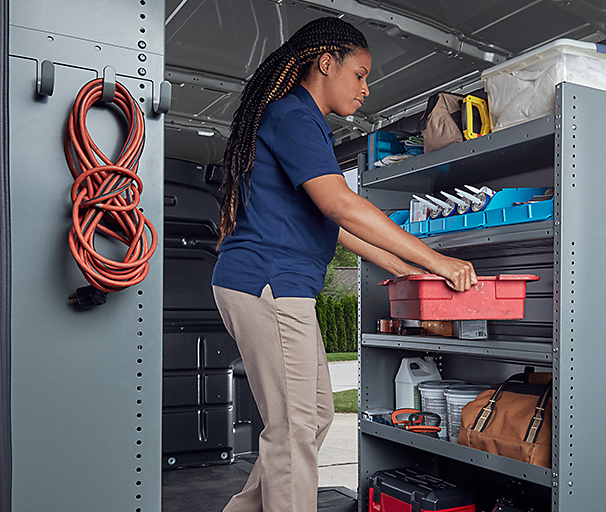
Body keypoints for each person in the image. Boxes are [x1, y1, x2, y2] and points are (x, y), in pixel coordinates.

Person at [210, 17, 477, 512]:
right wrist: (436, 259)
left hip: (276, 285)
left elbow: (327, 224)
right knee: (292, 429)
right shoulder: (294, 115)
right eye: (360, 74)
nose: (366, 89)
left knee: (311, 416)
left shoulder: (301, 122)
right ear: (326, 63)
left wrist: (401, 267)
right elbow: (340, 205)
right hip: (268, 281)